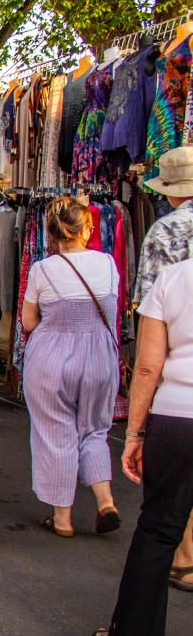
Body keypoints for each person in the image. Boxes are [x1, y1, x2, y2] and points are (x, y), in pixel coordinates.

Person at [90, 254, 193, 636]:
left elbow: (148, 366)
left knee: (159, 529)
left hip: (177, 416)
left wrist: (134, 433)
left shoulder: (173, 277)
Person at [21, 198, 120, 537]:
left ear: (51, 233)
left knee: (56, 432)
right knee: (95, 430)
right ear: (88, 229)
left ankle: (62, 518)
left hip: (52, 358)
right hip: (99, 357)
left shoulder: (43, 270)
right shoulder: (108, 264)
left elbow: (29, 320)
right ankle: (105, 501)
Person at [131, 147, 193, 590]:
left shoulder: (164, 231)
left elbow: (151, 328)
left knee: (167, 501)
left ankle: (185, 557)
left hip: (178, 383)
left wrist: (135, 430)